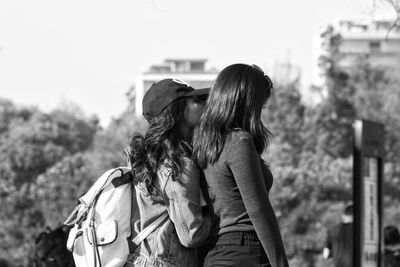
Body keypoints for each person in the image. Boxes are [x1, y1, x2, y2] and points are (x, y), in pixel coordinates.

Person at [192, 63, 289, 267]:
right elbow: (258, 209)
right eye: (259, 105)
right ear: (245, 103)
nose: (260, 112)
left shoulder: (203, 144)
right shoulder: (238, 142)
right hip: (246, 251)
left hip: (214, 255)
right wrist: (280, 263)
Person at [124, 79, 213, 267]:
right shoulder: (177, 165)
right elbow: (191, 235)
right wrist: (219, 216)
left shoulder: (147, 158)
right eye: (198, 100)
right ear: (178, 111)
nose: (206, 104)